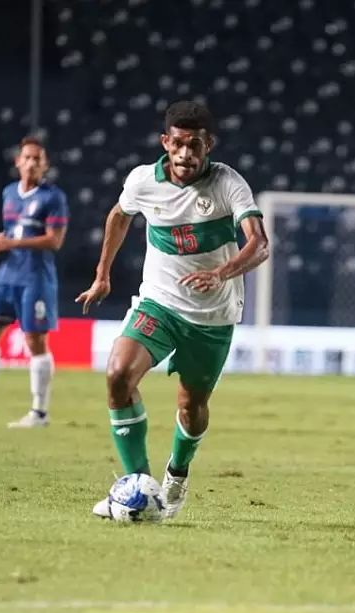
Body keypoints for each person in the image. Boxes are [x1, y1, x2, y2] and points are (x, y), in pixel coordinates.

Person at [75, 101, 269, 520]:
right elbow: (118, 215)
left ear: (208, 146)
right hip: (160, 303)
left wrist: (222, 272)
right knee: (118, 375)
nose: (185, 154)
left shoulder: (227, 184)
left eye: (194, 145)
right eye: (178, 144)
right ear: (166, 142)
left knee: (191, 404)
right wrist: (102, 274)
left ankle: (177, 474)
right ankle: (138, 489)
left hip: (212, 315)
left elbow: (260, 243)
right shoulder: (143, 181)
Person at [0, 136, 68, 428]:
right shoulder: (9, 193)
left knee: (35, 341)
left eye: (38, 159)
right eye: (28, 158)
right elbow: (13, 231)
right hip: (6, 276)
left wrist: (9, 242)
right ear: (18, 162)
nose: (32, 163)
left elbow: (54, 240)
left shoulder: (53, 198)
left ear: (45, 165)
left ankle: (39, 412)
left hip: (36, 278)